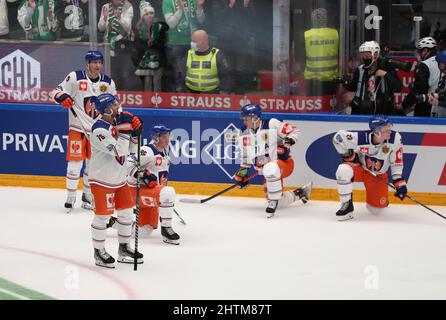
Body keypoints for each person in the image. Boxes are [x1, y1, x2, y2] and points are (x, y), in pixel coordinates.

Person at [50, 50, 117, 213]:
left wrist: (119, 122)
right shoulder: (75, 77)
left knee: (92, 166)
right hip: (77, 128)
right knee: (74, 164)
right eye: (94, 62)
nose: (97, 65)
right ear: (87, 64)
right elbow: (54, 92)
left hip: (98, 131)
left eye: (100, 62)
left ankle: (87, 196)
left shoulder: (108, 82)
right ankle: (70, 196)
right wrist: (61, 97)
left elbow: (116, 106)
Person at [89, 93, 143, 268]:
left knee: (127, 213)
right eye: (114, 103)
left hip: (119, 178)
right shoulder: (99, 130)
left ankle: (124, 248)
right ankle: (99, 252)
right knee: (102, 216)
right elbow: (118, 151)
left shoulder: (117, 123)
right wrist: (127, 130)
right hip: (101, 180)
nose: (118, 105)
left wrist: (135, 134)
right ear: (106, 109)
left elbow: (129, 149)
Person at [234, 104, 312, 218]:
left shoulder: (271, 123)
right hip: (268, 171)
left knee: (270, 168)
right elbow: (246, 157)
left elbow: (294, 131)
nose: (244, 122)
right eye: (244, 119)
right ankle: (302, 193)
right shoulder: (243, 133)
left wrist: (286, 145)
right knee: (279, 202)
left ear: (255, 118)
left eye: (246, 119)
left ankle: (273, 201)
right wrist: (242, 173)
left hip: (284, 164)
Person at [109, 125, 180, 244]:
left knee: (143, 231)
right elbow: (127, 165)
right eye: (164, 136)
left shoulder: (165, 152)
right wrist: (143, 175)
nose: (167, 139)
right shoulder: (147, 151)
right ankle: (166, 229)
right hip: (137, 192)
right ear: (156, 138)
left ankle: (111, 222)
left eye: (168, 136)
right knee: (168, 192)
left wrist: (164, 203)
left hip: (151, 193)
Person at [332, 115, 407, 221]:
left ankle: (381, 200)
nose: (390, 130)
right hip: (361, 169)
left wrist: (399, 183)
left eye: (390, 126)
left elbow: (397, 163)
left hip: (378, 176)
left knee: (375, 211)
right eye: (386, 128)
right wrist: (350, 157)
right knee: (343, 170)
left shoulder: (395, 139)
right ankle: (347, 206)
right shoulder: (361, 138)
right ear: (377, 131)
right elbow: (338, 138)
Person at [342, 41, 403, 115]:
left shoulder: (387, 69)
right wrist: (345, 82)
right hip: (362, 112)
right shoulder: (360, 70)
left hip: (383, 113)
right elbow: (353, 87)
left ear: (375, 54)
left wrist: (385, 74)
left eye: (367, 55)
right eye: (362, 55)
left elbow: (398, 88)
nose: (365, 58)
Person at [163, 0, 205, 92]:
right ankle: (180, 97)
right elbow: (171, 24)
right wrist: (180, 10)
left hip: (193, 41)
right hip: (176, 42)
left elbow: (201, 20)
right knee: (180, 73)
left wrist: (198, 7)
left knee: (195, 71)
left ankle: (194, 96)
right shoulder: (167, 1)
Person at [132, 2, 169, 92]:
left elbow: (164, 44)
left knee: (157, 81)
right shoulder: (138, 29)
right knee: (147, 81)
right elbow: (136, 45)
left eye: (151, 13)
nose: (149, 16)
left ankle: (158, 103)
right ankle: (147, 103)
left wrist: (154, 43)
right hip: (144, 60)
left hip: (158, 60)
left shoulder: (160, 27)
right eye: (146, 14)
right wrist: (147, 47)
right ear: (142, 17)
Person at [303, 8, 339, 96]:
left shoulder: (307, 34)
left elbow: (300, 57)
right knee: (330, 107)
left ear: (313, 20)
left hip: (312, 79)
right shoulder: (334, 33)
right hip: (331, 79)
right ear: (326, 19)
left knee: (313, 107)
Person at [401, 37, 441, 117]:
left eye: (419, 51)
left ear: (425, 50)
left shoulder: (424, 65)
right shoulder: (442, 62)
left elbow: (419, 90)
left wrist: (404, 104)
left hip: (427, 105)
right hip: (441, 104)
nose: (418, 54)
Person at [182, 29, 230, 94]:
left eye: (195, 41)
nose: (192, 43)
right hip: (191, 94)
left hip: (212, 94)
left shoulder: (217, 54)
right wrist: (182, 90)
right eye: (192, 41)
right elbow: (181, 73)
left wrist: (223, 92)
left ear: (204, 42)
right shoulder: (189, 53)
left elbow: (225, 75)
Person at [428, 50, 446, 118]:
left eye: (441, 64)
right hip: (438, 117)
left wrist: (439, 103)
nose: (439, 66)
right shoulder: (443, 78)